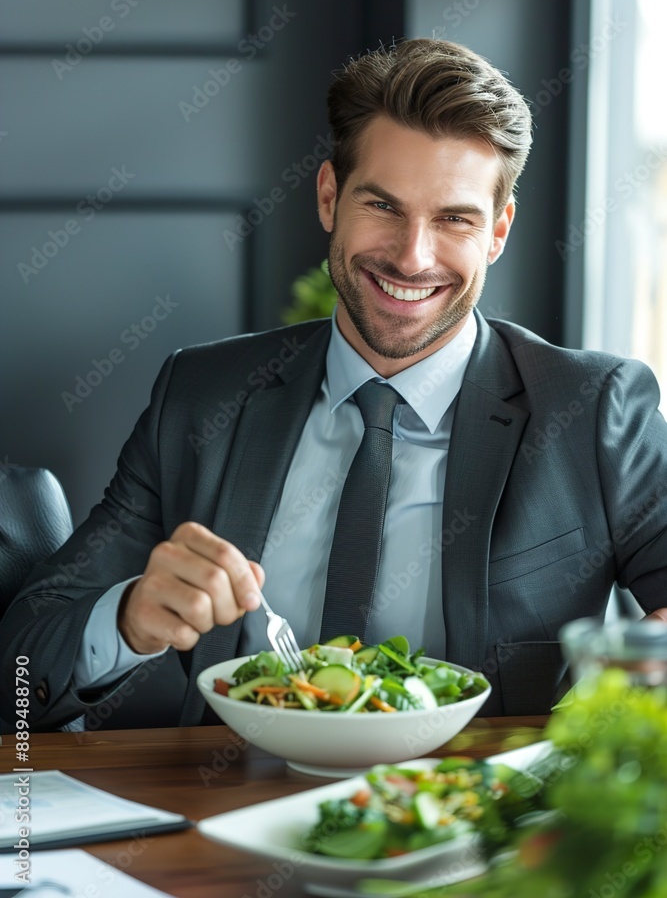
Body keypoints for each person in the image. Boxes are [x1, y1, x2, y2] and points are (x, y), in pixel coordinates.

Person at [2, 38, 666, 729]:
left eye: (453, 220)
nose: (412, 256)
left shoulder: (594, 408)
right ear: (329, 198)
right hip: (224, 808)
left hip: (483, 818)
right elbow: (17, 668)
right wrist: (129, 615)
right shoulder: (200, 396)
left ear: (496, 231)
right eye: (382, 207)